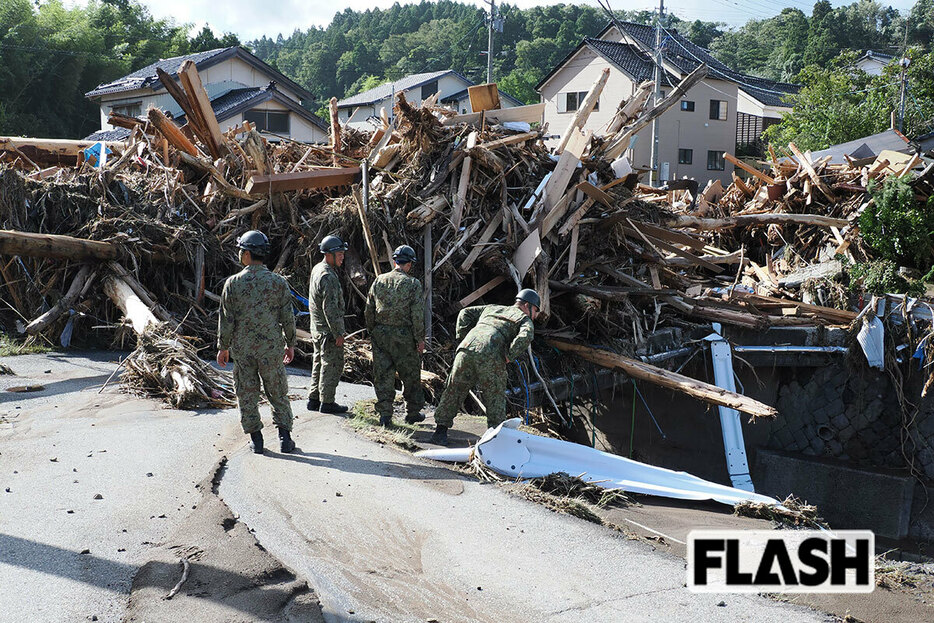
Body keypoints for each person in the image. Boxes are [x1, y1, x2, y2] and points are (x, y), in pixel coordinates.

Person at [217, 230, 296, 454]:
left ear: (247, 253)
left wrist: (222, 347)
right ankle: (285, 438)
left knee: (247, 393)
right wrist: (290, 344)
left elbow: (226, 319)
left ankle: (257, 440)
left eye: (241, 250)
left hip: (243, 350)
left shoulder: (232, 283)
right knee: (277, 392)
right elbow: (287, 318)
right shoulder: (278, 283)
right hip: (271, 349)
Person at [429, 289, 541, 445]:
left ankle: (439, 433)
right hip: (491, 354)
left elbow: (464, 313)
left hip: (467, 347)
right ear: (527, 305)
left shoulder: (493, 307)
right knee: (494, 396)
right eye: (535, 310)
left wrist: (462, 336)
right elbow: (526, 335)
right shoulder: (524, 319)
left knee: (454, 389)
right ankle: (495, 441)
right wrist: (510, 355)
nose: (535, 316)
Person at [365, 245, 426, 427]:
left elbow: (369, 309)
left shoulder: (379, 280)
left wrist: (372, 331)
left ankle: (385, 415)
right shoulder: (413, 284)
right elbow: (417, 315)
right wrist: (419, 339)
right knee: (410, 374)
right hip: (404, 335)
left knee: (383, 375)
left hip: (381, 333)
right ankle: (412, 413)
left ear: (394, 262)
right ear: (409, 264)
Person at [307, 235, 349, 414]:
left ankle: (314, 399)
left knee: (319, 362)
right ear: (329, 254)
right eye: (339, 254)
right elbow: (330, 308)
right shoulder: (328, 276)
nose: (342, 257)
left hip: (317, 329)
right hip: (327, 331)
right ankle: (327, 402)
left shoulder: (318, 269)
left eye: (342, 254)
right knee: (332, 364)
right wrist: (338, 333)